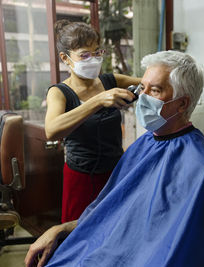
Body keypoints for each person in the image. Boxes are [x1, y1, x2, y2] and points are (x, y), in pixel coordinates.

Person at [26, 50, 204, 267]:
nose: (142, 97)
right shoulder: (143, 145)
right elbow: (110, 211)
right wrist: (61, 228)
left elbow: (189, 252)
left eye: (155, 90)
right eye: (142, 87)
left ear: (182, 103)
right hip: (114, 247)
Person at [46, 19, 141, 223]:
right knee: (77, 234)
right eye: (85, 55)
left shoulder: (110, 81)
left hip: (115, 172)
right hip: (81, 177)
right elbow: (51, 130)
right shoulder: (60, 93)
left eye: (97, 52)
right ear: (65, 58)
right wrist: (98, 100)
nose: (94, 59)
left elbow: (149, 83)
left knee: (114, 227)